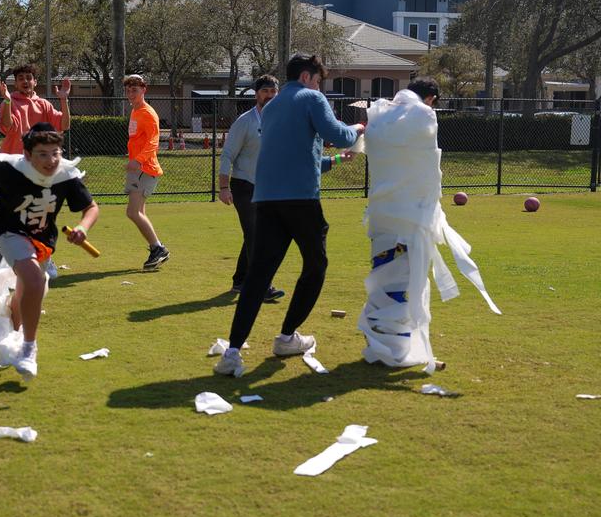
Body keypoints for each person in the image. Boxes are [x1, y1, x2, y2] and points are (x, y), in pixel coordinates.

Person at [214, 54, 362, 376]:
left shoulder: (271, 108)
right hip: (301, 200)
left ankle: (232, 352)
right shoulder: (312, 97)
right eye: (318, 80)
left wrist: (336, 160)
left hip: (266, 200)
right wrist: (359, 128)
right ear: (307, 77)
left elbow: (297, 157)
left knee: (258, 275)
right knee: (316, 265)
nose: (319, 87)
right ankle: (286, 337)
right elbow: (339, 135)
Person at [357, 77, 500, 373]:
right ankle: (392, 350)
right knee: (401, 277)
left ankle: (381, 341)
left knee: (384, 272)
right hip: (409, 217)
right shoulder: (422, 116)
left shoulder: (380, 116)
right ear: (431, 98)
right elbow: (428, 172)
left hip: (381, 213)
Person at [0, 122, 99, 380]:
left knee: (28, 290)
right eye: (42, 154)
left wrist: (83, 227)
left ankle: (14, 334)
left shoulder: (66, 175)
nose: (51, 160)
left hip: (43, 241)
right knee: (35, 280)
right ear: (27, 155)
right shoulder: (8, 171)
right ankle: (29, 349)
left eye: (55, 153)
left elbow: (91, 207)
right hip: (9, 233)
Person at [0, 63, 72, 279]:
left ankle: (44, 260)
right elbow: (7, 126)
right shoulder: (9, 102)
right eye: (21, 78)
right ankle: (15, 262)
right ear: (16, 83)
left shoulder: (44, 105)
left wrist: (64, 100)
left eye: (28, 77)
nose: (25, 81)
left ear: (35, 81)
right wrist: (7, 101)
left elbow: (64, 124)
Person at [218, 74, 284, 301]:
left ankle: (240, 280)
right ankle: (262, 286)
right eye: (265, 91)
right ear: (257, 94)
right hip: (243, 186)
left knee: (256, 235)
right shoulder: (245, 121)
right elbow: (227, 155)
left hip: (267, 188)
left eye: (273, 91)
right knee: (257, 236)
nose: (270, 95)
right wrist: (224, 187)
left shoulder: (281, 120)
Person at [123, 74, 169, 270]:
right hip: (138, 169)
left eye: (135, 90)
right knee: (138, 212)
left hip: (145, 168)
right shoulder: (135, 111)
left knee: (132, 212)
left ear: (144, 90)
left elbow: (153, 142)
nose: (131, 93)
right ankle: (156, 249)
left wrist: (138, 160)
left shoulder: (148, 113)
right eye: (128, 90)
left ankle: (158, 248)